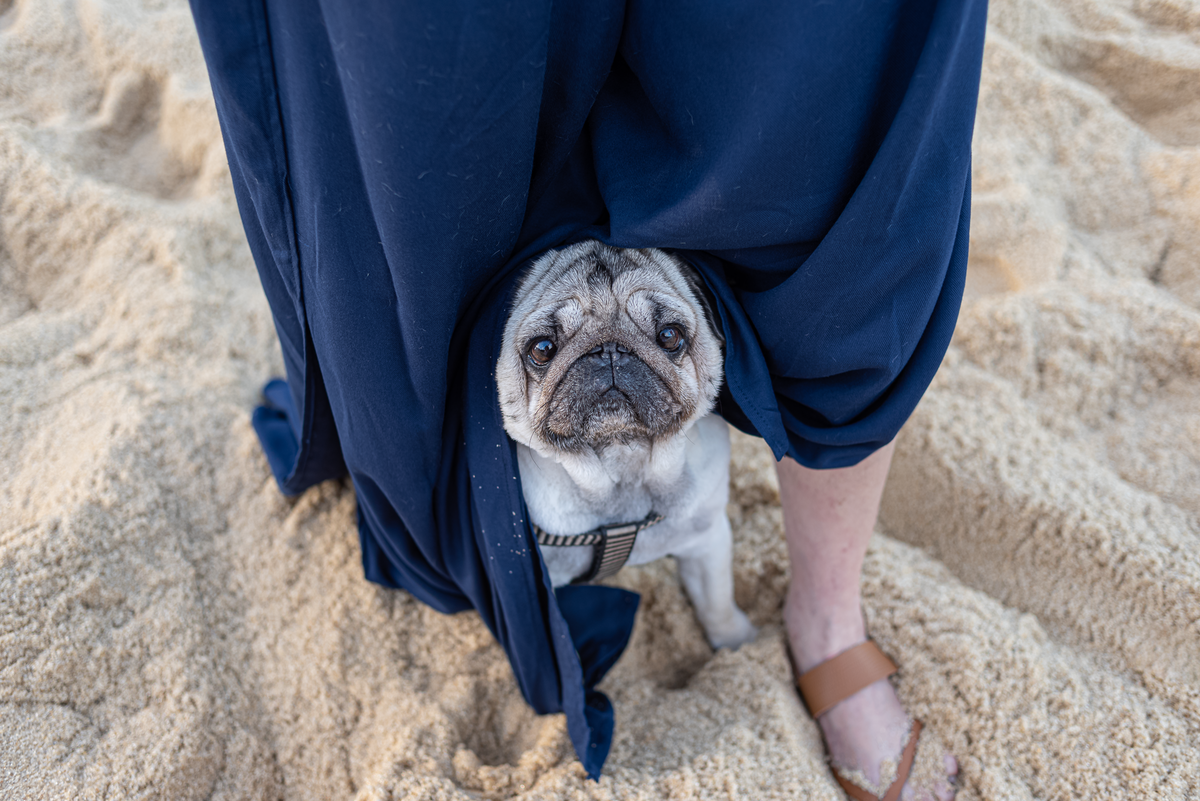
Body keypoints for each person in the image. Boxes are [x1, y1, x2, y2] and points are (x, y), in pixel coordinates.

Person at [189, 1, 987, 798]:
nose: (607, 364)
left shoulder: (702, 466)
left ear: (720, 343)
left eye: (664, 335)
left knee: (827, 146)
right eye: (547, 349)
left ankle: (829, 617)